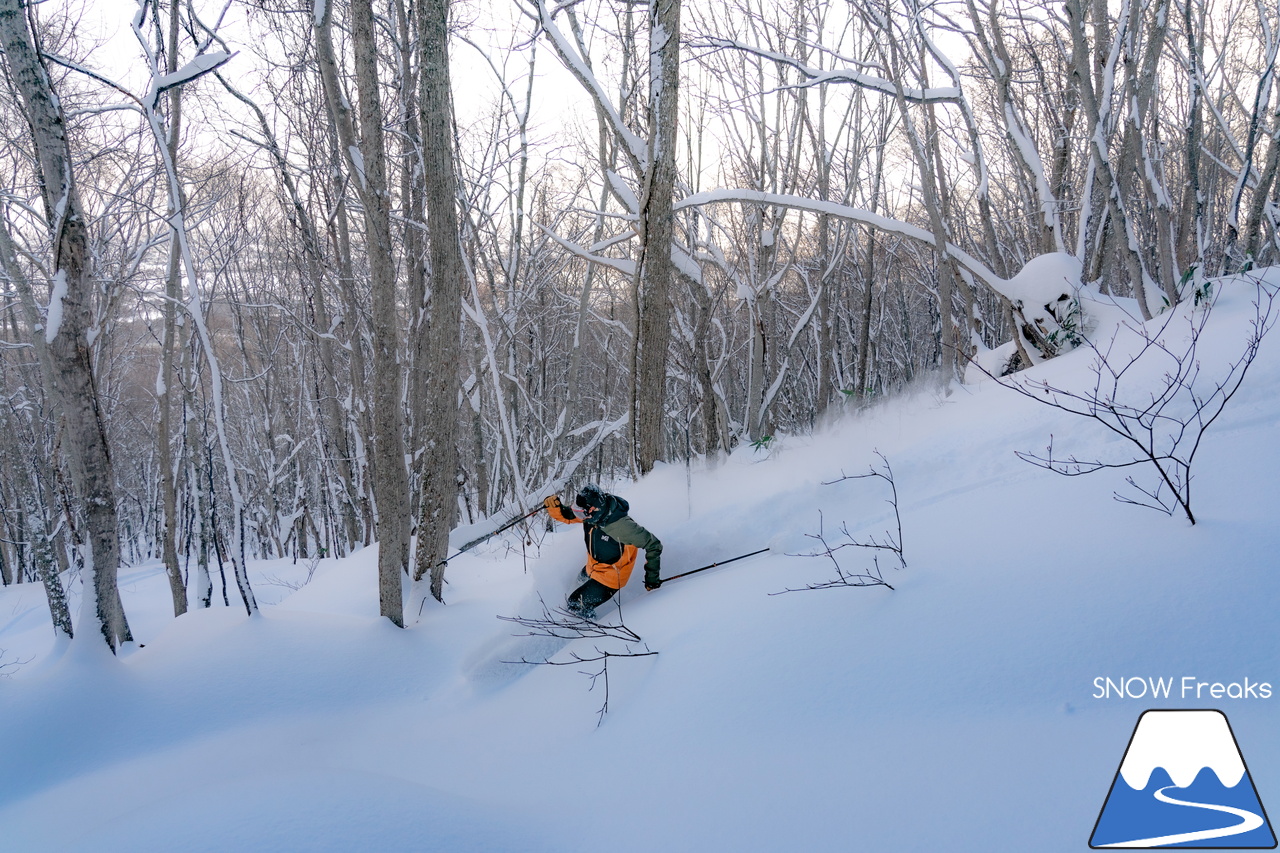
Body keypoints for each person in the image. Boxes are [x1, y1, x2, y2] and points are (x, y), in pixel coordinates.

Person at [543, 485, 662, 618]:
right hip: (592, 567)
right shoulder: (590, 514)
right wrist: (554, 507)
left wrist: (652, 578)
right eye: (578, 512)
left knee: (575, 604)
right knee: (577, 583)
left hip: (610, 578)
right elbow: (568, 515)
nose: (580, 517)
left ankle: (589, 633)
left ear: (593, 509)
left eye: (581, 513)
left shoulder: (623, 527)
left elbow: (654, 545)